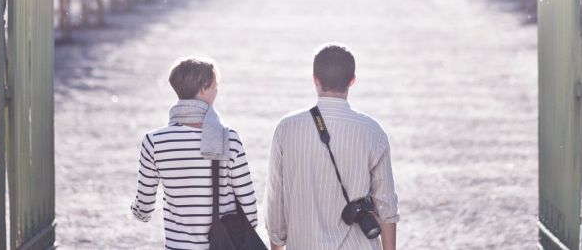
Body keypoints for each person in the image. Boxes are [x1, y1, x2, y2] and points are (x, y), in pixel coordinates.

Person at [265, 44, 399, 250]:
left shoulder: (287, 128)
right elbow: (387, 207)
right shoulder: (373, 132)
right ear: (352, 81)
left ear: (315, 80)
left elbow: (276, 202)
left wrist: (277, 245)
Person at [131, 57, 259, 249]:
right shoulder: (229, 137)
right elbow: (248, 203)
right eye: (216, 86)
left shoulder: (154, 141)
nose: (217, 91)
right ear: (203, 89)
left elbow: (145, 205)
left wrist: (138, 212)